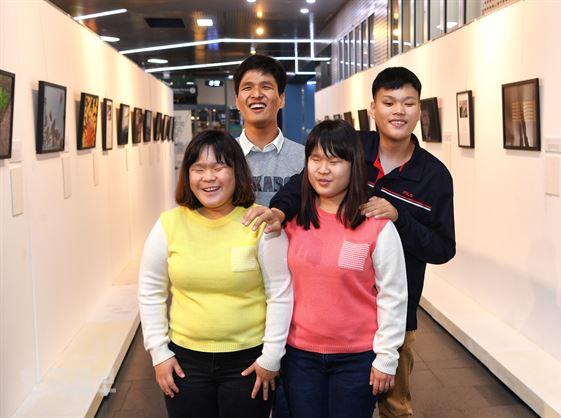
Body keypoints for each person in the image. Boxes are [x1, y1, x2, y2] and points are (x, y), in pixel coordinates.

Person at [246, 66, 456, 418]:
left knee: (395, 406)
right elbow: (304, 182)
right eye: (388, 102)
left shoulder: (433, 175)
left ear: (421, 109)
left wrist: (399, 218)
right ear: (373, 108)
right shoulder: (352, 148)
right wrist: (281, 211)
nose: (398, 111)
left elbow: (442, 248)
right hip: (323, 323)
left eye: (408, 103)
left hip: (395, 315)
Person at [138, 129, 293, 418]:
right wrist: (159, 353)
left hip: (249, 362)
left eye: (219, 167)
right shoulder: (169, 224)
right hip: (184, 362)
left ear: (237, 172)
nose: (208, 178)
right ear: (188, 175)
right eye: (198, 168)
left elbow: (281, 294)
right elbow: (150, 291)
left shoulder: (259, 222)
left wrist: (271, 357)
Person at [281, 119, 407, 418]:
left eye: (334, 161)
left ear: (353, 166)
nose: (323, 170)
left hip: (357, 359)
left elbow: (393, 296)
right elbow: (277, 290)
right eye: (315, 160)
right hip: (300, 356)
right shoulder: (292, 223)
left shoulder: (376, 226)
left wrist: (386, 358)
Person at [233, 54, 305, 206]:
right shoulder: (223, 157)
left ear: (282, 99)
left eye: (266, 87)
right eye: (247, 88)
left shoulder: (305, 158)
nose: (257, 95)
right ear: (237, 101)